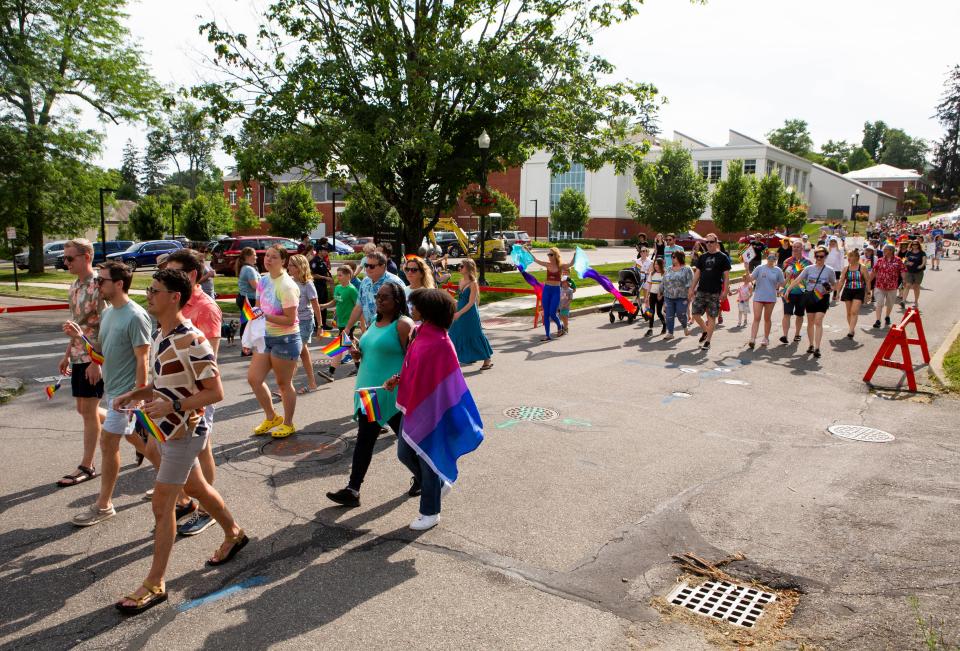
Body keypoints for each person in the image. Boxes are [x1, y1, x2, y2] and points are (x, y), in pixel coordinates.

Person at [113, 269, 247, 615]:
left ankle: (155, 583)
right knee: (198, 489)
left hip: (184, 432)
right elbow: (165, 384)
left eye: (155, 290)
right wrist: (136, 393)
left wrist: (172, 405)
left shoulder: (193, 340)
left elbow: (215, 392)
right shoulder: (162, 334)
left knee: (162, 505)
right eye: (149, 288)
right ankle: (234, 533)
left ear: (175, 297)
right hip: (170, 430)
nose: (149, 295)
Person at [386, 288, 484, 530]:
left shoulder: (440, 342)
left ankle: (430, 511)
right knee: (405, 454)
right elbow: (415, 368)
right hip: (415, 405)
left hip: (434, 410)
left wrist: (430, 401)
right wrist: (399, 378)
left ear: (429, 310)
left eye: (416, 305)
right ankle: (437, 486)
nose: (412, 309)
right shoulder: (419, 332)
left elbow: (448, 381)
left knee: (427, 456)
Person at [69, 261, 155, 527]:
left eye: (102, 281)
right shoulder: (108, 313)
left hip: (127, 394)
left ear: (119, 284)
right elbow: (104, 348)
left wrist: (137, 395)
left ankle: (104, 505)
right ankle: (179, 485)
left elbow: (143, 359)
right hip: (114, 390)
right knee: (136, 441)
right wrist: (82, 339)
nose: (98, 285)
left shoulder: (135, 315)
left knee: (108, 444)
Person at [326, 282, 414, 507]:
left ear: (397, 301)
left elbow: (414, 361)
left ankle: (425, 477)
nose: (379, 300)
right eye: (377, 296)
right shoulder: (375, 321)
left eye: (385, 297)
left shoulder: (403, 325)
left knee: (402, 442)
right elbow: (370, 354)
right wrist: (357, 354)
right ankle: (353, 489)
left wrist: (398, 378)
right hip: (367, 391)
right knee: (372, 440)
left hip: (387, 394)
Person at [163, 249, 224, 537]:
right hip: (171, 392)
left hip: (196, 395)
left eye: (172, 272)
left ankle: (206, 510)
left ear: (190, 276)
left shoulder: (205, 307)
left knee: (203, 449)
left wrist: (190, 398)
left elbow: (209, 357)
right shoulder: (176, 301)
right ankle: (186, 500)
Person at [57, 239, 105, 487]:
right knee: (84, 410)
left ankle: (87, 465)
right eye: (65, 258)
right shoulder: (74, 286)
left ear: (86, 257)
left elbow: (105, 328)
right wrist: (67, 353)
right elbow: (76, 326)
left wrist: (96, 361)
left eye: (70, 258)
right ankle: (133, 428)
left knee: (88, 412)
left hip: (93, 357)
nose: (65, 263)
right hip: (77, 355)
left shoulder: (100, 286)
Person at [248, 244, 301, 439]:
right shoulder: (262, 280)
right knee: (254, 378)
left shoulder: (287, 286)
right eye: (267, 256)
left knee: (283, 384)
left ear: (284, 261)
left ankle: (288, 423)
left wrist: (265, 316)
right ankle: (271, 417)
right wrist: (254, 316)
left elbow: (289, 319)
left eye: (274, 257)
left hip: (285, 339)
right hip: (265, 337)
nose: (268, 259)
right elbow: (257, 306)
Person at [785, 246, 834, 359]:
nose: (819, 258)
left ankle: (817, 347)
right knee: (810, 322)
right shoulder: (808, 268)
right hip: (810, 297)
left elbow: (834, 284)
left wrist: (830, 288)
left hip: (822, 298)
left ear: (825, 257)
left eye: (821, 256)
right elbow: (798, 280)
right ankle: (811, 345)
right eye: (817, 256)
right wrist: (788, 289)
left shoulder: (829, 270)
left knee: (818, 321)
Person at [343, 251, 407, 335]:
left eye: (372, 266)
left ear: (383, 266)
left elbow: (404, 309)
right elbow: (359, 306)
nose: (368, 269)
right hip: (371, 329)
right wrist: (347, 328)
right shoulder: (365, 281)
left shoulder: (395, 282)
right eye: (366, 265)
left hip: (390, 331)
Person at [287, 253, 325, 392]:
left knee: (295, 352)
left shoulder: (308, 284)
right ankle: (312, 383)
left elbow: (316, 306)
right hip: (292, 322)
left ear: (299, 268)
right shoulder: (289, 281)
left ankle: (285, 386)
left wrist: (320, 326)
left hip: (305, 322)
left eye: (291, 265)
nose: (288, 267)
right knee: (303, 353)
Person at [688, 234, 731, 351]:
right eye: (707, 242)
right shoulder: (702, 257)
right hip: (701, 290)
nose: (709, 244)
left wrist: (725, 291)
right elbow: (697, 273)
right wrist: (691, 288)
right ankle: (706, 331)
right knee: (695, 313)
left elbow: (726, 276)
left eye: (711, 242)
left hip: (715, 291)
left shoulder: (723, 257)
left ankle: (708, 341)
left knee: (711, 316)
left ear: (716, 243)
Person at [449, 258, 494, 369]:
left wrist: (459, 313)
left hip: (469, 313)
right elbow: (461, 298)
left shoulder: (473, 283)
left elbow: (471, 302)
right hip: (459, 310)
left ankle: (487, 359)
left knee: (474, 334)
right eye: (459, 266)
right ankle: (455, 359)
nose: (459, 268)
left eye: (461, 266)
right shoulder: (460, 281)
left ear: (468, 269)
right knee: (455, 333)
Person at [318, 265, 360, 378]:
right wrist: (323, 306)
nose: (338, 277)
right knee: (350, 346)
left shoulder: (352, 290)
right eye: (338, 275)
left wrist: (362, 322)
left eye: (341, 275)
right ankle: (359, 367)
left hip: (349, 323)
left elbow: (359, 306)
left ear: (348, 275)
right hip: (341, 322)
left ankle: (331, 373)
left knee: (340, 347)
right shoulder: (338, 288)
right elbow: (335, 302)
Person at [528, 246, 572, 341]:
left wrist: (575, 255)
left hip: (556, 290)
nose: (549, 256)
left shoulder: (560, 266)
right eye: (548, 254)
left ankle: (560, 326)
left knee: (552, 313)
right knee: (546, 314)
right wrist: (527, 250)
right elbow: (535, 259)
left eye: (551, 254)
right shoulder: (547, 264)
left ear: (555, 255)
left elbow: (571, 264)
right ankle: (547, 335)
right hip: (547, 290)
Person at [747, 252, 785, 349]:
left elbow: (783, 284)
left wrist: (789, 276)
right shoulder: (760, 268)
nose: (771, 258)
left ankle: (766, 338)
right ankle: (752, 339)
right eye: (769, 256)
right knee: (757, 317)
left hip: (770, 298)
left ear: (776, 259)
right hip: (758, 297)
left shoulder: (778, 270)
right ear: (766, 257)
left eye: (773, 257)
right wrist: (746, 268)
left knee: (767, 319)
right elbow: (750, 278)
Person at [779, 241, 811, 344]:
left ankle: (797, 334)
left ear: (802, 249)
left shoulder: (808, 262)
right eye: (794, 247)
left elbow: (809, 277)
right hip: (789, 291)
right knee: (787, 314)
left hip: (802, 292)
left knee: (800, 314)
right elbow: (785, 277)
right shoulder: (787, 262)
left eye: (798, 247)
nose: (795, 249)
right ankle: (785, 335)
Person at [835, 249, 870, 339]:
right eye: (848, 256)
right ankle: (852, 328)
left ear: (856, 257)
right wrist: (838, 292)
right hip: (848, 290)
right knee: (849, 312)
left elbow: (867, 280)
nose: (849, 258)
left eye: (851, 256)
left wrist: (868, 293)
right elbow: (841, 281)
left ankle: (850, 331)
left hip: (859, 290)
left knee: (854, 311)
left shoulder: (862, 267)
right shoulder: (846, 268)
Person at [871, 244, 907, 329]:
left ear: (891, 251)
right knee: (879, 303)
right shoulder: (880, 260)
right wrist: (868, 281)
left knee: (890, 304)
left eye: (885, 250)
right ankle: (878, 320)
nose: (884, 251)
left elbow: (902, 270)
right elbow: (874, 271)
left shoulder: (898, 260)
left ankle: (887, 316)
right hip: (880, 285)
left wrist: (904, 279)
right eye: (884, 250)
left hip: (892, 287)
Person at [662, 250, 693, 340]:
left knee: (680, 313)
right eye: (672, 257)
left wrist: (690, 294)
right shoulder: (668, 269)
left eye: (674, 257)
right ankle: (670, 333)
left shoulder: (687, 269)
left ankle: (685, 327)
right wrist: (660, 291)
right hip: (668, 296)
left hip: (682, 296)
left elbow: (691, 283)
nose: (672, 258)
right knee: (669, 315)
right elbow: (664, 281)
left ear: (680, 257)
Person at [236, 247, 260, 347]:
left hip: (245, 298)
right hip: (248, 300)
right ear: (248, 256)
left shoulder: (246, 268)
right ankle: (246, 348)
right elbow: (256, 286)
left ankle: (247, 347)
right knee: (247, 325)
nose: (256, 257)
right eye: (254, 255)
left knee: (247, 324)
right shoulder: (249, 269)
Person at [308, 244, 334, 330]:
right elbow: (312, 274)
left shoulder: (322, 261)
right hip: (317, 286)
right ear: (319, 251)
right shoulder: (314, 261)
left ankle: (323, 324)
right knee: (317, 304)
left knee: (324, 304)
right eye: (325, 250)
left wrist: (329, 279)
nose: (326, 252)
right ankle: (316, 324)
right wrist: (325, 277)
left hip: (323, 285)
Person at [642, 258, 665, 336]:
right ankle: (650, 329)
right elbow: (649, 285)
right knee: (651, 312)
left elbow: (666, 286)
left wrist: (661, 294)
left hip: (660, 295)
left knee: (659, 313)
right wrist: (646, 296)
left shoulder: (664, 274)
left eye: (657, 264)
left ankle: (664, 325)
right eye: (655, 264)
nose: (656, 266)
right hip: (652, 294)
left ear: (661, 265)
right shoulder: (652, 274)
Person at [902, 239, 926, 309]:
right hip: (909, 271)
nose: (914, 246)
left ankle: (916, 301)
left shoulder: (922, 253)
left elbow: (924, 261)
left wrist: (921, 266)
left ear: (918, 245)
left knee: (916, 287)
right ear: (911, 245)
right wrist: (907, 263)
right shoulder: (909, 252)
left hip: (918, 272)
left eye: (916, 244)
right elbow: (904, 260)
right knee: (907, 285)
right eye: (913, 244)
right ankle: (903, 301)